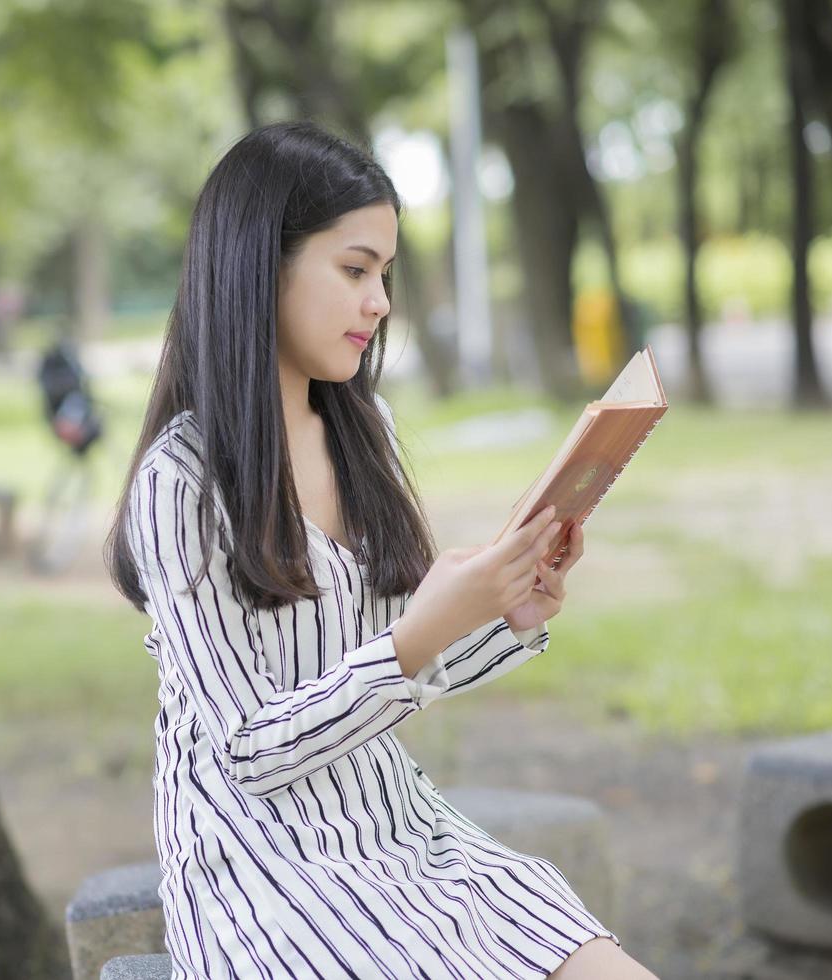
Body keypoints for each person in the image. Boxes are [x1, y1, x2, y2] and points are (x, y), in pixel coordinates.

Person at [103, 121, 658, 980]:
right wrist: (413, 640)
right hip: (262, 869)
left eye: (385, 275)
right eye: (355, 269)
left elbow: (397, 665)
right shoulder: (180, 483)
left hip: (395, 822)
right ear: (260, 265)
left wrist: (502, 615)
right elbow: (250, 750)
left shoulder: (366, 431)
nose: (381, 303)